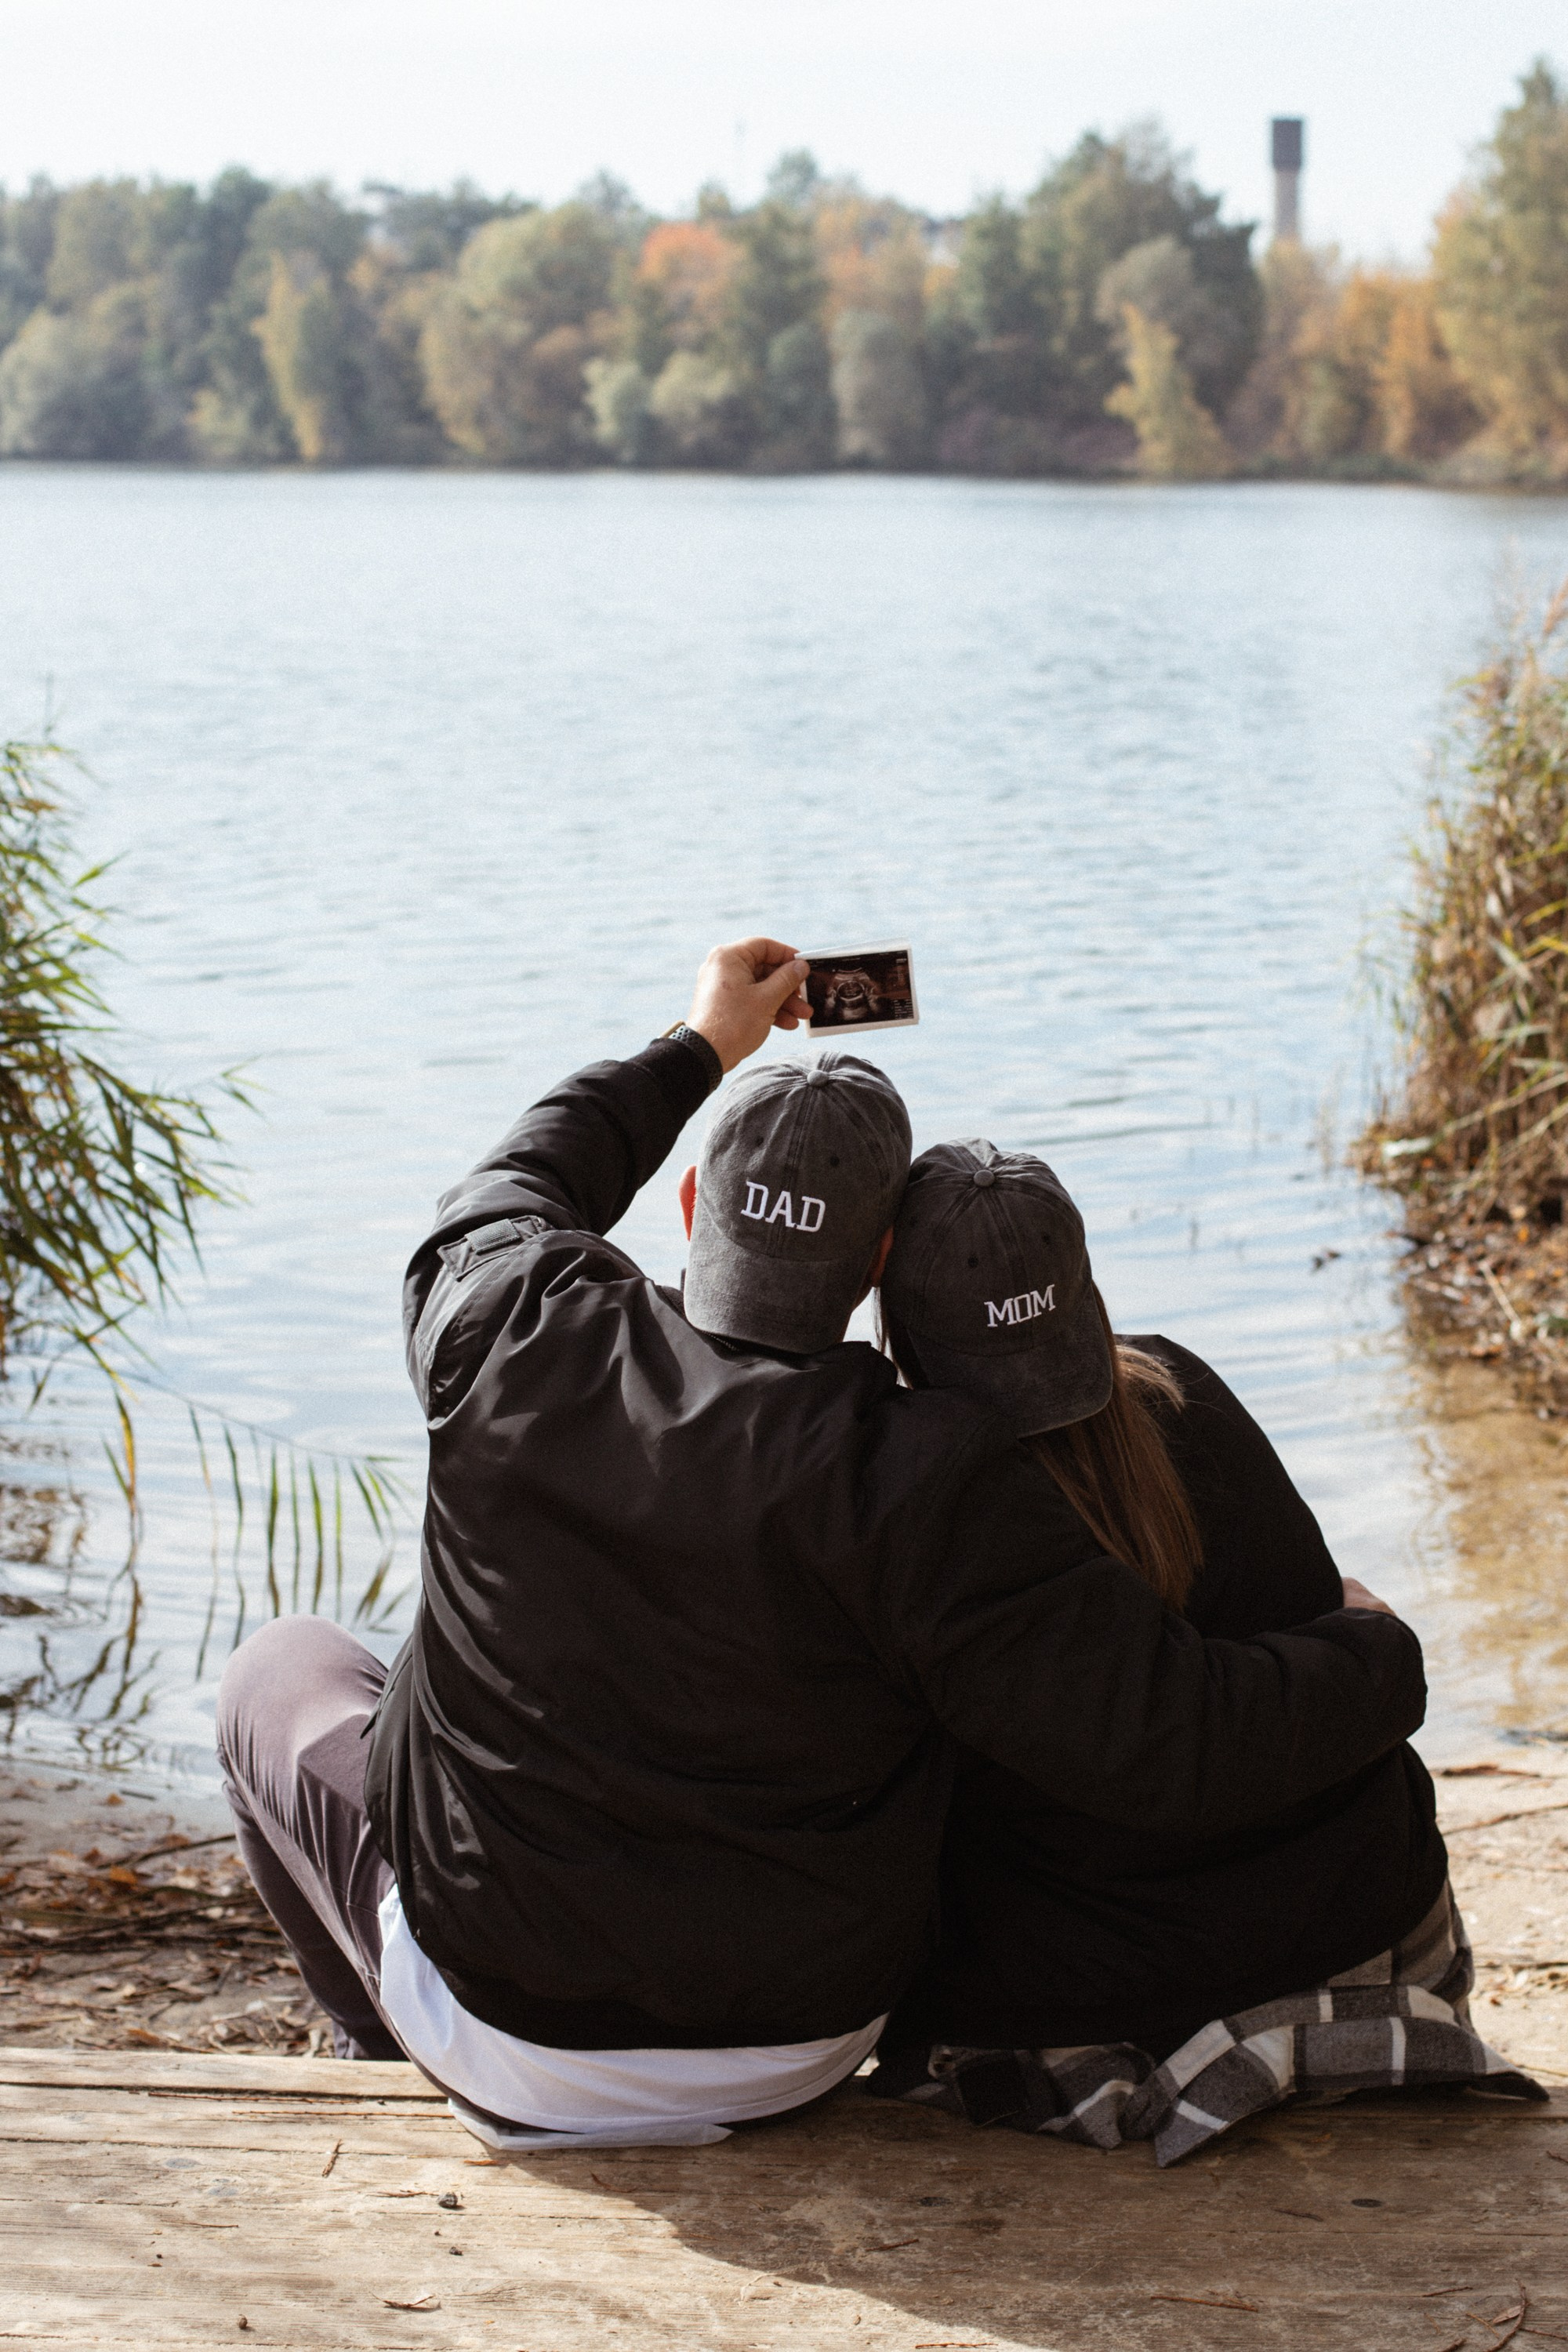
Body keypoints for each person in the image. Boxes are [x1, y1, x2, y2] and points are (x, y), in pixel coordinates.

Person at [218, 937, 1428, 2151]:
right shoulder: (922, 1467)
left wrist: (700, 1046)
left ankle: (377, 2043)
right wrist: (1373, 1651)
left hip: (504, 2022)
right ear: (879, 1270)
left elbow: (520, 1177)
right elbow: (1161, 1730)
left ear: (690, 1206)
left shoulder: (509, 1324)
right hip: (800, 2042)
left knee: (281, 1671)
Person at [867, 1139, 1544, 2161]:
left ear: (904, 1338)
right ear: (1086, 1302)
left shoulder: (930, 1506)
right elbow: (1211, 1707)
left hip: (1134, 1988)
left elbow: (1157, 1746)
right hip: (1377, 1929)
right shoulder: (1184, 1386)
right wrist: (1377, 1651)